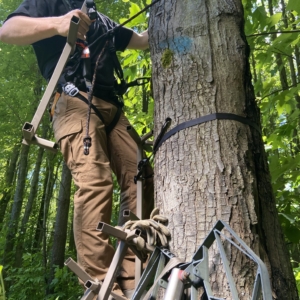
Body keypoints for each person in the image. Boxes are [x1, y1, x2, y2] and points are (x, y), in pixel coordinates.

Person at [0, 0, 154, 298]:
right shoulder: (50, 3)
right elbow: (8, 30)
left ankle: (134, 276)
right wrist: (59, 23)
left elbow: (143, 40)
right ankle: (101, 287)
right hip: (72, 101)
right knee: (95, 181)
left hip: (113, 108)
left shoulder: (104, 21)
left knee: (142, 177)